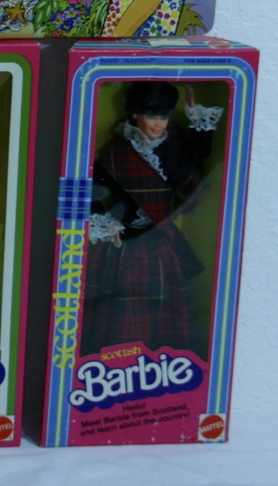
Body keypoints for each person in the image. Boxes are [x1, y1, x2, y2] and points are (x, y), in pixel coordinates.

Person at [82, 82, 222, 356]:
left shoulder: (173, 150)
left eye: (163, 116)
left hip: (158, 239)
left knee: (165, 299)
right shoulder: (117, 154)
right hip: (124, 242)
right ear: (135, 115)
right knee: (122, 302)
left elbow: (200, 155)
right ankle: (120, 355)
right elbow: (94, 191)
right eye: (151, 116)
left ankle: (160, 354)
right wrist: (104, 222)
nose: (158, 123)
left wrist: (195, 115)